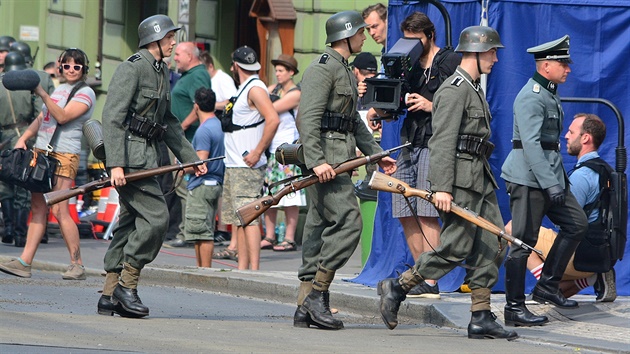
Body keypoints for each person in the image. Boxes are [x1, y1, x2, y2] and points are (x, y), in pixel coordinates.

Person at [378, 26, 517, 340]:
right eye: (492, 52)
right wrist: (441, 187)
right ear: (478, 52)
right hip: (460, 182)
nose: (495, 58)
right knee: (455, 247)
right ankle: (398, 287)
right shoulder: (454, 89)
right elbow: (441, 141)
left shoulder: (472, 87)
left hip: (479, 179)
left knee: (493, 244)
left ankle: (480, 315)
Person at [96, 14, 207, 319]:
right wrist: (116, 164)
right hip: (131, 161)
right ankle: (126, 286)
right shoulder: (133, 67)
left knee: (130, 224)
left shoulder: (160, 70)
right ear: (154, 39)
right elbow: (113, 117)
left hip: (148, 156)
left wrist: (189, 158)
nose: (173, 43)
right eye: (169, 37)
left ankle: (108, 294)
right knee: (157, 218)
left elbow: (168, 122)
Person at [294, 11, 397, 331]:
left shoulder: (342, 70)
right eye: (360, 32)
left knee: (317, 228)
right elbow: (306, 118)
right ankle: (318, 294)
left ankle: (304, 305)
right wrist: (316, 161)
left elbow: (352, 122)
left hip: (338, 160)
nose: (364, 37)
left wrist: (376, 154)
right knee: (350, 223)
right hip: (325, 162)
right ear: (347, 35)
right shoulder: (323, 68)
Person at [501, 35, 588, 327]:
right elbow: (531, 145)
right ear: (547, 65)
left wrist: (554, 181)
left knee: (577, 223)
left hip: (548, 176)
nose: (568, 69)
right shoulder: (532, 96)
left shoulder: (549, 93)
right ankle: (514, 308)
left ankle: (547, 286)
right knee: (522, 241)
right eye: (563, 64)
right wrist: (550, 182)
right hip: (528, 178)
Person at [384, 12, 461, 299]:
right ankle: (419, 274)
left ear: (429, 36)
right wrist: (378, 109)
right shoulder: (408, 65)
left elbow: (465, 105)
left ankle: (431, 280)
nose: (412, 47)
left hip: (435, 142)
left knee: (427, 211)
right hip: (409, 142)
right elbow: (395, 103)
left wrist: (431, 104)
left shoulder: (450, 61)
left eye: (416, 41)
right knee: (405, 210)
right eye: (407, 41)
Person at [0, 48, 96, 280]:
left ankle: (77, 264)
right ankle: (24, 262)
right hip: (42, 153)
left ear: (84, 69)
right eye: (67, 65)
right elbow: (42, 117)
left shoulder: (86, 92)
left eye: (77, 66)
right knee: (38, 209)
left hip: (64, 156)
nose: (72, 70)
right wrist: (23, 139)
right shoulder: (60, 89)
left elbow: (62, 117)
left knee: (60, 210)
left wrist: (42, 93)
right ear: (60, 66)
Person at [506, 113, 616, 304]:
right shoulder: (605, 170)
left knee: (512, 229)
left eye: (571, 132)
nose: (566, 136)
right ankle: (589, 279)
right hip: (598, 253)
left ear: (585, 138)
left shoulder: (582, 176)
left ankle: (545, 286)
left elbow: (567, 220)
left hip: (579, 255)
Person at [219, 46, 279, 270]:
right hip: (235, 164)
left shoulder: (254, 88)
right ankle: (243, 269)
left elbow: (272, 119)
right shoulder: (245, 87)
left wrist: (257, 151)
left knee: (249, 217)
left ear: (235, 66)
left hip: (247, 165)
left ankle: (253, 270)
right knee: (240, 218)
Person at [163, 41, 212, 248]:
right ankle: (178, 230)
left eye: (178, 55)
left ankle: (186, 233)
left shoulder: (198, 74)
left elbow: (199, 105)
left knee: (185, 188)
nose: (175, 58)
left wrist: (181, 127)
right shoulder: (188, 75)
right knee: (177, 186)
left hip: (187, 140)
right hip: (180, 138)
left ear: (190, 56)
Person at [259, 54, 305, 252]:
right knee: (269, 194)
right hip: (273, 150)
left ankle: (288, 237)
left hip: (289, 151)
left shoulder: (295, 94)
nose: (277, 74)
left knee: (290, 196)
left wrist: (261, 101)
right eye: (276, 70)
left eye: (281, 70)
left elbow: (269, 108)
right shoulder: (272, 89)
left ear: (291, 72)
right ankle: (269, 236)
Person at [0, 52, 43, 248]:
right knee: (24, 186)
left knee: (4, 185)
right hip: (25, 135)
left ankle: (8, 229)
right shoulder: (27, 83)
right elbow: (38, 113)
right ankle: (20, 234)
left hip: (3, 138)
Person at [184, 87, 225, 267]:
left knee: (202, 232)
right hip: (216, 183)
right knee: (204, 229)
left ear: (196, 106)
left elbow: (200, 162)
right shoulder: (218, 124)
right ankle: (202, 271)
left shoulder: (203, 131)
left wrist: (181, 168)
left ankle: (203, 272)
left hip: (201, 185)